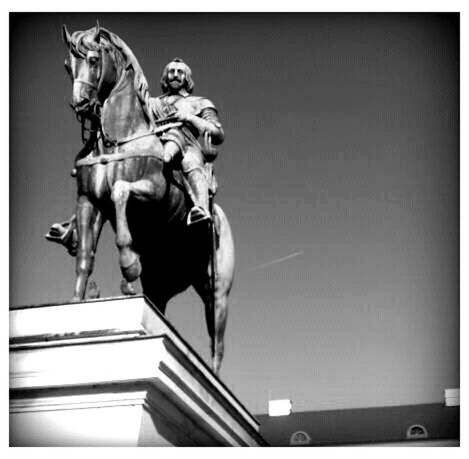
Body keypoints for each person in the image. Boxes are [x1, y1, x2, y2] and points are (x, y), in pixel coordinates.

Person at [152, 57, 224, 224]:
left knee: (191, 163)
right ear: (165, 76)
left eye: (180, 72)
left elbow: (217, 133)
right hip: (156, 141)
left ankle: (201, 208)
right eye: (171, 72)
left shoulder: (200, 102)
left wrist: (189, 117)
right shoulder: (153, 103)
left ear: (187, 78)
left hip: (187, 145)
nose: (175, 75)